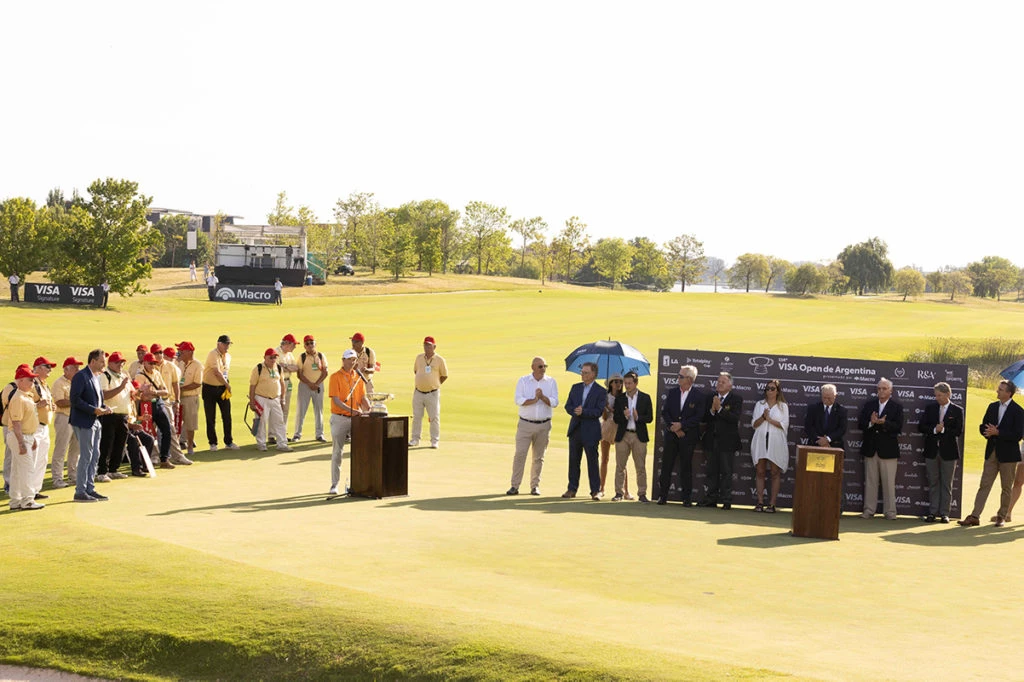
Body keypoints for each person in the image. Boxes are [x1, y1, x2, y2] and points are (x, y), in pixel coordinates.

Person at [959, 380, 1024, 527]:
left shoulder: (1018, 411)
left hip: (1008, 456)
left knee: (1006, 487)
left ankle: (1002, 516)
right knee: (984, 484)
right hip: (991, 453)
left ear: (1009, 393)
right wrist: (987, 432)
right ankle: (975, 516)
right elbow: (983, 425)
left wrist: (998, 432)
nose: (997, 391)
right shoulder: (992, 407)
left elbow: (1018, 435)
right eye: (998, 389)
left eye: (1001, 389)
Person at [507, 356, 558, 496]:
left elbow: (554, 402)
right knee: (520, 455)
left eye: (545, 366)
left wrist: (543, 398)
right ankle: (515, 485)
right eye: (540, 366)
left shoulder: (551, 382)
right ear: (533, 367)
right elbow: (519, 400)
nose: (543, 369)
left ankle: (535, 486)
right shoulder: (523, 381)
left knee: (538, 457)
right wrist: (535, 400)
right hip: (525, 424)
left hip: (544, 424)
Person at [657, 364, 706, 506]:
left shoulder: (699, 396)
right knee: (666, 466)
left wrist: (682, 425)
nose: (678, 378)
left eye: (681, 376)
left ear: (689, 379)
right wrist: (674, 427)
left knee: (686, 466)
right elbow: (665, 412)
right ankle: (662, 496)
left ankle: (686, 498)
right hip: (672, 435)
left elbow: (698, 416)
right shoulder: (672, 392)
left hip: (688, 436)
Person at [69, 349, 113, 502]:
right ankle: (80, 491)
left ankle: (89, 488)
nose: (104, 364)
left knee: (95, 455)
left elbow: (97, 399)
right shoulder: (81, 376)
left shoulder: (95, 376)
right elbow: (75, 400)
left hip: (95, 421)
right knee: (86, 455)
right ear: (93, 361)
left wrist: (104, 407)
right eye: (102, 361)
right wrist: (93, 410)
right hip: (84, 421)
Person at [858, 377, 904, 520]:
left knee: (889, 483)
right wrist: (871, 423)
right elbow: (860, 424)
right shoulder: (869, 405)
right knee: (870, 482)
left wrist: (884, 423)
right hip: (871, 449)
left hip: (888, 451)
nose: (881, 391)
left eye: (884, 388)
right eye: (879, 389)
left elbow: (898, 427)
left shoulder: (897, 406)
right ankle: (869, 510)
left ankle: (890, 512)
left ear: (890, 391)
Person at [918, 381, 963, 523]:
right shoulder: (930, 408)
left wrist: (943, 430)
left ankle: (944, 513)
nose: (937, 398)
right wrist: (934, 429)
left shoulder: (957, 410)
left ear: (948, 394)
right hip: (931, 451)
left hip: (949, 452)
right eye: (936, 395)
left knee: (946, 484)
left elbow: (958, 431)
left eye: (939, 395)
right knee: (933, 482)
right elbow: (921, 427)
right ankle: (932, 512)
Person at [327, 349, 369, 495]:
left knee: (359, 451)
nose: (352, 362)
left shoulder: (358, 377)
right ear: (343, 360)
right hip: (339, 418)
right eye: (349, 359)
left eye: (354, 360)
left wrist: (369, 407)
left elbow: (362, 397)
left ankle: (358, 483)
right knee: (337, 452)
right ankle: (334, 484)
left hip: (356, 419)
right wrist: (351, 411)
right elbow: (336, 400)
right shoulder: (335, 377)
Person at [562, 362, 607, 500]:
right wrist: (575, 411)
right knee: (574, 460)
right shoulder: (575, 388)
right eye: (582, 372)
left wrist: (584, 411)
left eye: (586, 372)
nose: (582, 374)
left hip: (591, 431)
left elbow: (598, 411)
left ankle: (595, 490)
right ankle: (572, 489)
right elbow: (568, 406)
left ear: (593, 374)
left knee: (592, 462)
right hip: (575, 429)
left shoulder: (601, 391)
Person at [701, 372, 743, 509]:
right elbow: (704, 418)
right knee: (711, 471)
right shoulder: (710, 397)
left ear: (730, 385)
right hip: (711, 440)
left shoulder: (736, 399)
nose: (719, 384)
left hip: (727, 442)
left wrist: (719, 409)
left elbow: (734, 418)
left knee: (726, 472)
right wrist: (712, 410)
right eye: (718, 381)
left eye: (723, 382)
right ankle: (711, 499)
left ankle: (726, 500)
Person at [6, 365, 45, 510]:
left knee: (17, 470)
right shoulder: (18, 398)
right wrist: (21, 443)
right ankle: (28, 500)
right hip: (19, 437)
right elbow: (16, 422)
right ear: (21, 380)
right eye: (30, 380)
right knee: (27, 469)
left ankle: (15, 501)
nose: (32, 382)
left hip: (26, 436)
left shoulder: (26, 395)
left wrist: (31, 438)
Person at [612, 371, 652, 503]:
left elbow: (650, 418)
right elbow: (616, 419)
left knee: (640, 467)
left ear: (636, 383)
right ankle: (619, 493)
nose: (627, 386)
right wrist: (625, 416)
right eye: (625, 383)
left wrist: (637, 417)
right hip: (623, 435)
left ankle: (642, 493)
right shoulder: (620, 399)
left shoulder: (645, 398)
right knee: (620, 466)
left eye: (629, 383)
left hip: (638, 436)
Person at [750, 379, 790, 512]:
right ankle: (760, 502)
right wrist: (763, 417)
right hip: (761, 439)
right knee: (760, 471)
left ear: (778, 391)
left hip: (776, 441)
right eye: (767, 389)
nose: (770, 391)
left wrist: (769, 419)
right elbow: (754, 424)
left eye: (772, 389)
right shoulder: (759, 404)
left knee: (774, 472)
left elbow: (784, 425)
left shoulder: (783, 406)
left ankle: (772, 504)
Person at [135, 353, 175, 469]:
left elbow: (166, 391)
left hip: (158, 403)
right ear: (144, 363)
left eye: (154, 363)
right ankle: (145, 461)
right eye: (150, 363)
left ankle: (164, 459)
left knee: (167, 430)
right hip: (146, 405)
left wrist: (154, 392)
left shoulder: (157, 373)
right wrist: (155, 393)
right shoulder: (139, 376)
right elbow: (142, 396)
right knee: (145, 432)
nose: (152, 365)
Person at [248, 348, 293, 452]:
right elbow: (252, 386)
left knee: (279, 421)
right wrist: (252, 401)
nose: (273, 360)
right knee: (262, 422)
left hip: (275, 398)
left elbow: (282, 383)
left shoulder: (278, 367)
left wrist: (282, 398)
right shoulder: (258, 368)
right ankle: (261, 444)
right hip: (261, 398)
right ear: (265, 357)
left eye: (275, 357)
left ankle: (282, 444)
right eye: (271, 357)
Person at [98, 351, 133, 481]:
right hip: (109, 414)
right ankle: (102, 471)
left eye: (122, 362)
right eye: (117, 362)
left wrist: (138, 392)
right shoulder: (105, 376)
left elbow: (131, 391)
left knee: (120, 444)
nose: (120, 365)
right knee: (106, 444)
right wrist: (121, 387)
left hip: (123, 414)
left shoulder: (123, 375)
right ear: (110, 363)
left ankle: (113, 469)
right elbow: (104, 395)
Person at [50, 356, 83, 488]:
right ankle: (57, 478)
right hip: (64, 417)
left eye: (78, 368)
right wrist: (77, 402)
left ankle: (73, 475)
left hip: (77, 417)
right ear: (66, 370)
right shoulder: (59, 383)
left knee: (76, 449)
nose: (78, 370)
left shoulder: (78, 382)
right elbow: (59, 402)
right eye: (75, 368)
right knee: (61, 448)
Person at [202, 334, 239, 451]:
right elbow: (216, 372)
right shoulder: (212, 354)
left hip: (222, 388)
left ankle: (229, 442)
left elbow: (224, 371)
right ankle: (213, 443)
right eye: (225, 344)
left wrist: (226, 384)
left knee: (227, 416)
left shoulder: (228, 356)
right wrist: (227, 384)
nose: (227, 346)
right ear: (219, 344)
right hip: (209, 388)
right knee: (210, 416)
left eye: (228, 344)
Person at [410, 336, 448, 449]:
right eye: (425, 345)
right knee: (417, 417)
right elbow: (416, 371)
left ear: (434, 347)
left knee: (434, 417)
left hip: (432, 393)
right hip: (418, 392)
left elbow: (444, 375)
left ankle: (434, 440)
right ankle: (415, 439)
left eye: (429, 345)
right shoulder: (419, 358)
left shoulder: (440, 360)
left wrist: (434, 384)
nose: (426, 347)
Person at [159, 345, 192, 465]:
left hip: (167, 401)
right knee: (153, 431)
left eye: (160, 353)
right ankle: (157, 456)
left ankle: (176, 456)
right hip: (152, 402)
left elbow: (176, 384)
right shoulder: (149, 366)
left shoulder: (172, 366)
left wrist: (177, 401)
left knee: (170, 429)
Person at [292, 335, 328, 443]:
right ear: (304, 346)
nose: (310, 345)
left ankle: (319, 434)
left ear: (315, 343)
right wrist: (309, 384)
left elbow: (325, 372)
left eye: (311, 343)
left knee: (319, 410)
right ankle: (297, 434)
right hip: (305, 386)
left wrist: (316, 384)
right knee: (301, 410)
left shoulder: (321, 356)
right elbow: (299, 374)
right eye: (307, 343)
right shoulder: (302, 357)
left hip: (318, 385)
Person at [31, 357, 56, 497]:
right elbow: (23, 403)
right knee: (32, 460)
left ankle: (35, 490)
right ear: (39, 367)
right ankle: (27, 492)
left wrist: (52, 406)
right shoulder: (31, 383)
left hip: (44, 426)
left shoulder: (43, 384)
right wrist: (37, 405)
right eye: (47, 367)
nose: (50, 370)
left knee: (42, 459)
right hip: (34, 426)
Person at [599, 374, 627, 499]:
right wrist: (604, 407)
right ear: (610, 384)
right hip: (607, 427)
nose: (618, 384)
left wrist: (609, 407)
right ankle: (601, 488)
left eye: (620, 382)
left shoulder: (624, 397)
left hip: (619, 428)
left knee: (622, 461)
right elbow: (604, 417)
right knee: (604, 459)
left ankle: (625, 491)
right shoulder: (605, 397)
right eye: (615, 382)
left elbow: (621, 414)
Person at [176, 341, 203, 458]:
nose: (179, 353)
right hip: (179, 397)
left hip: (190, 397)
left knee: (190, 423)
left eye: (182, 351)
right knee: (177, 422)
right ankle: (178, 446)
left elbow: (197, 383)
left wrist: (180, 389)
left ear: (189, 352)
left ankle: (190, 446)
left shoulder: (198, 365)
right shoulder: (180, 364)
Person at [804, 384, 847, 450]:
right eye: (824, 398)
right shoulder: (813, 409)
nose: (826, 400)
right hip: (815, 445)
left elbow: (842, 429)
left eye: (829, 398)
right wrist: (819, 440)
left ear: (835, 396)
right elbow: (808, 427)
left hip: (834, 446)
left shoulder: (841, 411)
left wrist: (827, 439)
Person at [275, 334, 300, 438]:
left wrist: (285, 366)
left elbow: (296, 368)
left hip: (288, 382)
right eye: (293, 345)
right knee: (276, 409)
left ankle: (282, 433)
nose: (295, 347)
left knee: (285, 408)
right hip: (278, 383)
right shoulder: (276, 352)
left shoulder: (289, 354)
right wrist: (287, 367)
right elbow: (277, 369)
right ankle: (272, 434)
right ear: (287, 343)